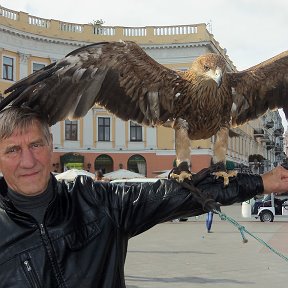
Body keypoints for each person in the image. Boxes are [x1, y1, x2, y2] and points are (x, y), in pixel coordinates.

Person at [1, 106, 288, 287]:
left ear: (51, 146)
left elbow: (178, 195)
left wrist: (262, 181)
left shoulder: (99, 201)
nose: (28, 161)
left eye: (36, 145)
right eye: (12, 150)